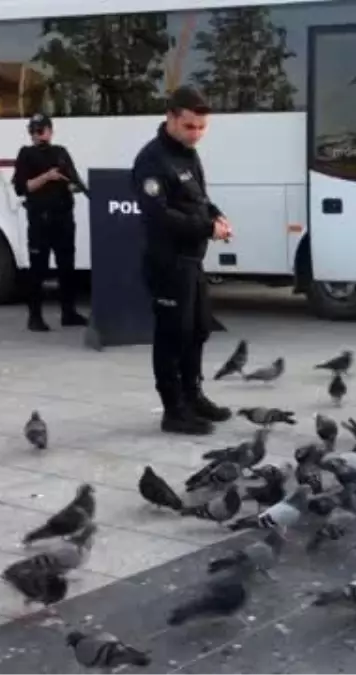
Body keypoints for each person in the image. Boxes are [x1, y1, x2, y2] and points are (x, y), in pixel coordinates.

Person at [131, 87, 233, 435]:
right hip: (167, 260)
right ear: (171, 117)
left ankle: (194, 396)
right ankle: (173, 410)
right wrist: (206, 227)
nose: (197, 134)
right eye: (190, 126)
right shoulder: (152, 160)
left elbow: (198, 198)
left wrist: (216, 216)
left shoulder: (188, 154)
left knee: (198, 330)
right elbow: (159, 215)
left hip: (191, 260)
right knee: (172, 335)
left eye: (202, 127)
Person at [11, 113, 87, 332]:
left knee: (67, 268)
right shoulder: (26, 154)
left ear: (50, 131)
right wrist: (47, 176)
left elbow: (74, 181)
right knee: (38, 270)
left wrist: (73, 185)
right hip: (39, 220)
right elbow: (23, 188)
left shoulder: (60, 153)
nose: (37, 135)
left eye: (41, 130)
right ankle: (35, 317)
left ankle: (69, 313)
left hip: (63, 218)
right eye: (33, 131)